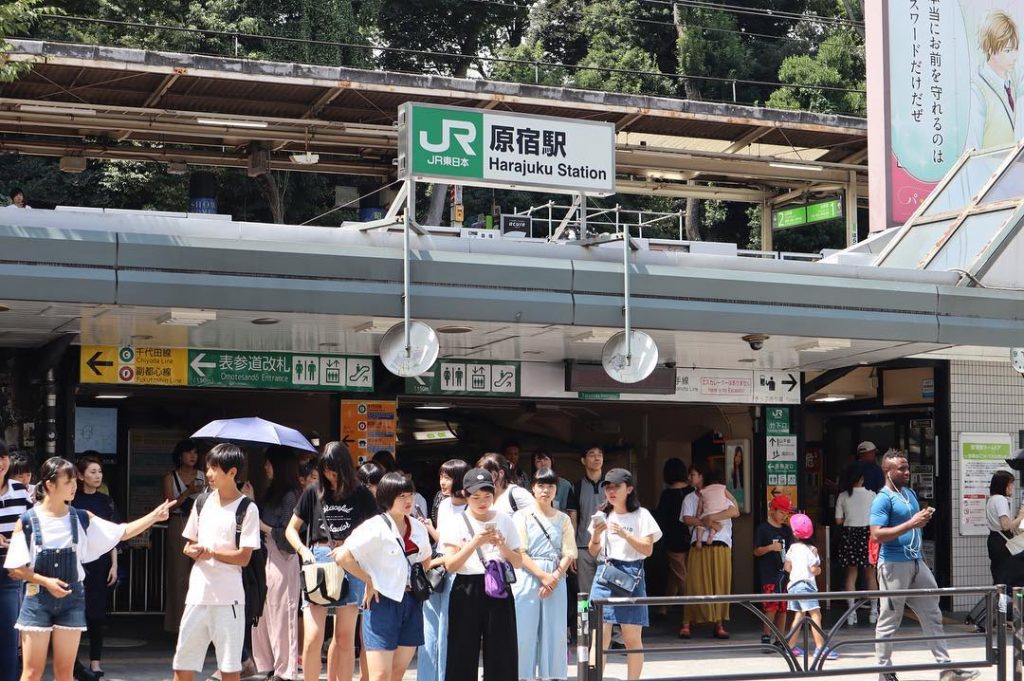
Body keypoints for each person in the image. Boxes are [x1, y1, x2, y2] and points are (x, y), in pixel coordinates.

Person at [4, 457, 171, 681]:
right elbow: (15, 568)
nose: (74, 486)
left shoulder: (82, 518)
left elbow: (121, 532)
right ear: (49, 485)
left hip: (72, 598)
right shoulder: (27, 520)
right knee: (32, 672)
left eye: (74, 480)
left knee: (65, 673)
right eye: (68, 481)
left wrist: (153, 516)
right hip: (36, 598)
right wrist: (46, 582)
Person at [871, 450, 979, 681]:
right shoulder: (882, 498)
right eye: (901, 468)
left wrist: (921, 520)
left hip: (917, 562)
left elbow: (912, 526)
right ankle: (884, 671)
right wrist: (912, 522)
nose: (907, 472)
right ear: (887, 472)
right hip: (893, 565)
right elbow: (876, 535)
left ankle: (946, 668)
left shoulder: (909, 493)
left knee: (932, 614)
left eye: (907, 467)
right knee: (889, 619)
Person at [286, 442, 376, 681]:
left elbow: (376, 531)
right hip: (318, 560)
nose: (329, 475)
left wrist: (354, 548)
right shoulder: (313, 491)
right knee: (313, 636)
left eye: (334, 469)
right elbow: (291, 530)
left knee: (345, 637)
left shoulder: (361, 493)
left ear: (345, 467)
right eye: (325, 469)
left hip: (351, 561)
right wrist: (304, 551)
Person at [169, 444, 259, 681]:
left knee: (230, 668)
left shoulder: (247, 508)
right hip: (197, 595)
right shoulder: (201, 502)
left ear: (232, 472)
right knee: (182, 665)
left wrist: (210, 552)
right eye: (208, 467)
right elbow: (188, 544)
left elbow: (244, 556)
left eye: (214, 468)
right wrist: (194, 550)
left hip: (229, 598)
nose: (208, 473)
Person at [334, 473, 431, 681]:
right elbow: (342, 555)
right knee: (379, 675)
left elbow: (426, 560)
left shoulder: (418, 527)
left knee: (397, 673)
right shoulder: (375, 526)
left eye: (410, 495)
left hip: (412, 601)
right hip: (382, 602)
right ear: (387, 497)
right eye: (401, 495)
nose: (408, 501)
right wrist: (369, 580)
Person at [439, 467, 523, 681]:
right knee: (462, 650)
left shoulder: (504, 519)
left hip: (498, 586)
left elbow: (518, 561)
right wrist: (475, 542)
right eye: (476, 497)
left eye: (487, 496)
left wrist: (502, 546)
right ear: (466, 495)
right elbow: (451, 565)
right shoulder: (455, 522)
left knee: (502, 651)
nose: (482, 501)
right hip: (466, 587)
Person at [587, 468, 662, 681]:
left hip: (632, 573)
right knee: (599, 637)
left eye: (616, 487)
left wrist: (624, 533)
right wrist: (596, 536)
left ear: (629, 489)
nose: (611, 491)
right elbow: (594, 551)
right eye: (607, 487)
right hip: (605, 572)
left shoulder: (641, 515)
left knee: (632, 639)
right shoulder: (601, 515)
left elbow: (648, 550)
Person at [513, 467, 576, 681]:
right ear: (532, 488)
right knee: (525, 631)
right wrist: (544, 576)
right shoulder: (521, 516)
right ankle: (524, 676)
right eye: (541, 485)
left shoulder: (564, 519)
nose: (546, 490)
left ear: (556, 489)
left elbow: (569, 552)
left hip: (556, 577)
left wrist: (554, 577)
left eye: (550, 485)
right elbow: (520, 551)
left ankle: (554, 675)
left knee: (555, 630)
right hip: (528, 575)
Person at [251, 447, 303, 681]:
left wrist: (262, 526)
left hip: (283, 557)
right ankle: (270, 665)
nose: (265, 467)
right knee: (263, 614)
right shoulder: (273, 492)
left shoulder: (291, 495)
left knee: (282, 613)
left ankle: (284, 670)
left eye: (269, 463)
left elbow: (287, 537)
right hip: (266, 556)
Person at [417, 459, 468, 681]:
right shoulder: (444, 503)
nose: (442, 482)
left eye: (448, 477)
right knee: (430, 628)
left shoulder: (472, 505)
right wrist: (429, 528)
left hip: (458, 570)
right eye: (441, 476)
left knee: (448, 628)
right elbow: (443, 541)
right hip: (439, 569)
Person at [71, 455, 121, 679]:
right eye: (92, 472)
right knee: (74, 614)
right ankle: (73, 664)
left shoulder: (106, 501)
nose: (97, 475)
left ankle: (95, 661)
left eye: (99, 472)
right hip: (77, 561)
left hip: (101, 562)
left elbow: (112, 535)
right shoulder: (72, 500)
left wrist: (114, 565)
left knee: (97, 615)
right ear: (80, 476)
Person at [679, 462, 739, 640]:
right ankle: (687, 622)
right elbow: (687, 518)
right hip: (699, 543)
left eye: (694, 474)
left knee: (719, 584)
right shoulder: (690, 498)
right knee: (694, 584)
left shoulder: (721, 492)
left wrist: (711, 518)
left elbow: (734, 511)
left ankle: (719, 623)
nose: (691, 478)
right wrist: (705, 522)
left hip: (721, 542)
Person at [162, 438, 205, 632]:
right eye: (189, 452)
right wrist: (188, 491)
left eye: (195, 453)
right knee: (178, 575)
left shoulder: (204, 475)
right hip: (179, 523)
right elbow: (169, 505)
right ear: (180, 455)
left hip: (201, 525)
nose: (193, 456)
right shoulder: (170, 477)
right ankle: (178, 623)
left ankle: (199, 623)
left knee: (200, 574)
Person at [1, 442, 32, 681]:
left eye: (3, 457)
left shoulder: (20, 491)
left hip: (10, 572)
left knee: (9, 638)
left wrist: (20, 555)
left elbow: (32, 527)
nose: (1, 463)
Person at [968, 11, 1021, 151]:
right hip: (992, 170)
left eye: (1016, 49)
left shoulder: (1013, 84)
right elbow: (972, 148)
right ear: (991, 49)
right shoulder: (977, 90)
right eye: (1008, 51)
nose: (1014, 57)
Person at [835, 461, 879, 626]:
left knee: (851, 574)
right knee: (870, 575)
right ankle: (874, 611)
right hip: (868, 534)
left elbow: (838, 521)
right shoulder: (872, 495)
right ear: (862, 479)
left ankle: (851, 613)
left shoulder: (843, 496)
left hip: (850, 534)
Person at [753, 495, 793, 651]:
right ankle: (766, 636)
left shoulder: (786, 530)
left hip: (784, 574)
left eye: (786, 513)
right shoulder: (762, 529)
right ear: (772, 511)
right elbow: (756, 551)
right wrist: (770, 548)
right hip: (768, 573)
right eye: (782, 512)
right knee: (771, 606)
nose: (784, 516)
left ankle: (780, 638)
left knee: (783, 606)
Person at [654, 458, 693, 613]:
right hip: (692, 537)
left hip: (673, 540)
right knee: (676, 573)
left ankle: (692, 610)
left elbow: (661, 519)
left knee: (680, 574)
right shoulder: (692, 492)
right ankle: (664, 607)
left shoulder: (667, 495)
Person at [573, 446, 606, 600]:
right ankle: (584, 624)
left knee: (607, 592)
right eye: (591, 454)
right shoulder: (577, 487)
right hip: (583, 547)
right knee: (584, 595)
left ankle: (608, 625)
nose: (597, 458)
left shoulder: (611, 486)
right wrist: (572, 549)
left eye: (600, 454)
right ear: (583, 461)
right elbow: (573, 517)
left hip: (607, 548)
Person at [985, 470, 1024, 593]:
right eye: (1011, 483)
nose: (1012, 487)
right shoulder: (1000, 500)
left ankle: (998, 608)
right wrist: (1021, 516)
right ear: (1004, 485)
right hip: (1002, 543)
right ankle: (1009, 608)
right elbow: (1006, 525)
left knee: (999, 577)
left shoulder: (991, 499)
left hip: (994, 540)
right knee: (1010, 577)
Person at [531, 450, 576, 519]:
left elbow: (572, 512)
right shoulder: (528, 484)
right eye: (538, 461)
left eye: (546, 459)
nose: (543, 463)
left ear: (552, 461)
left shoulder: (565, 485)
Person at [694, 472, 731, 548]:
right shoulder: (723, 489)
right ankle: (711, 535)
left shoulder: (704, 491)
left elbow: (700, 506)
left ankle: (699, 541)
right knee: (716, 525)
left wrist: (698, 515)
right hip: (718, 515)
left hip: (706, 514)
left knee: (700, 526)